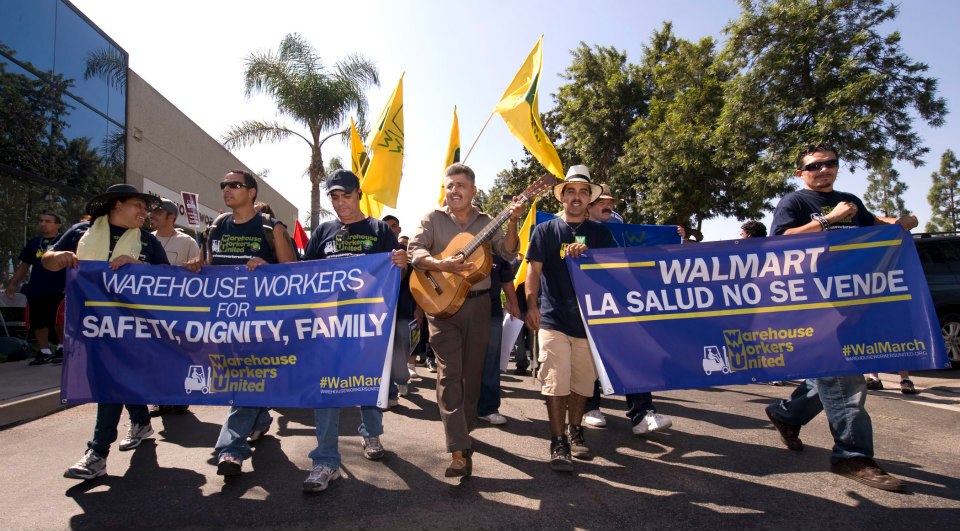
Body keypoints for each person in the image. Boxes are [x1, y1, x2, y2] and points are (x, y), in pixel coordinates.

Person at [765, 143, 917, 493]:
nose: (824, 170)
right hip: (815, 303)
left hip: (853, 301)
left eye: (830, 163)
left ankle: (786, 414)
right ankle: (852, 456)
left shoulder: (850, 200)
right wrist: (827, 220)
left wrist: (902, 222)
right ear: (800, 173)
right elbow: (779, 241)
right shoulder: (794, 202)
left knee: (832, 373)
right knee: (846, 378)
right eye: (814, 166)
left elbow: (878, 223)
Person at [42, 184, 168, 480]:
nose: (144, 213)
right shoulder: (81, 232)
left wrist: (138, 266)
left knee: (111, 379)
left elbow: (167, 279)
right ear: (117, 205)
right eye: (138, 205)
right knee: (118, 377)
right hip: (90, 321)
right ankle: (141, 421)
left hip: (132, 324)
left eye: (146, 208)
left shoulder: (147, 241)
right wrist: (57, 257)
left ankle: (97, 453)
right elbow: (47, 259)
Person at [408, 163, 520, 477]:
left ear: (473, 190)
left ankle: (464, 429)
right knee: (448, 375)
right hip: (440, 308)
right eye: (450, 185)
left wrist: (513, 221)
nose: (454, 190)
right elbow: (415, 252)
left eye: (460, 185)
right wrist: (441, 265)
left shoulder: (488, 222)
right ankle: (458, 450)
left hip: (479, 305)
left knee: (472, 377)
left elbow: (508, 253)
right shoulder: (432, 218)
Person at [299, 170, 408, 492]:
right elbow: (304, 274)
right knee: (326, 388)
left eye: (345, 196)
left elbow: (395, 277)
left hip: (369, 325)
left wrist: (401, 265)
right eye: (334, 197)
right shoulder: (323, 231)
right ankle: (325, 460)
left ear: (358, 194)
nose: (340, 203)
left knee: (369, 382)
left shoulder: (379, 230)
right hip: (329, 325)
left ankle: (371, 432)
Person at [185, 169, 296, 477]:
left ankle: (231, 449)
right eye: (224, 184)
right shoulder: (217, 226)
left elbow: (293, 271)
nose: (227, 189)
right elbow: (209, 266)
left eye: (235, 185)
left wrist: (267, 266)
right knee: (240, 380)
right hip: (225, 321)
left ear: (251, 192)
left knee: (247, 379)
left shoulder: (270, 227)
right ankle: (260, 418)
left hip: (260, 323)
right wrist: (197, 265)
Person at [525, 166, 615, 472]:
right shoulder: (545, 231)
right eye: (571, 191)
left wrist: (591, 257)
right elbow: (533, 272)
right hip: (553, 319)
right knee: (555, 382)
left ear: (589, 199)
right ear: (562, 197)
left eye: (583, 192)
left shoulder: (602, 235)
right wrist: (531, 306)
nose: (576, 197)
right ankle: (558, 441)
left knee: (582, 384)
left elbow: (615, 273)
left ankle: (576, 431)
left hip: (589, 324)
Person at [581, 183, 675, 435]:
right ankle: (590, 407)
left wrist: (671, 236)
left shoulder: (622, 229)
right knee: (590, 357)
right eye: (602, 202)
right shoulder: (578, 230)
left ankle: (643, 413)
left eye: (610, 202)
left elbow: (647, 255)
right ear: (589, 206)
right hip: (592, 302)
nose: (608, 206)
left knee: (634, 354)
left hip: (624, 302)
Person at [147, 198, 201, 416]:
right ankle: (159, 398)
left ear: (171, 217)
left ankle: (179, 397)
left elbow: (199, 271)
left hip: (178, 310)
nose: (152, 216)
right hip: (150, 309)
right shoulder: (145, 239)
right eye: (151, 212)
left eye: (158, 213)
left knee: (178, 354)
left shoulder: (186, 241)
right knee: (155, 354)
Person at [5, 212, 65, 365]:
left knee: (59, 321)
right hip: (36, 289)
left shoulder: (66, 241)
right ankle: (44, 352)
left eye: (48, 221)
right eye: (41, 221)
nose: (43, 224)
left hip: (59, 288)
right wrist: (12, 284)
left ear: (58, 225)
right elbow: (24, 265)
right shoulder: (34, 243)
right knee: (38, 322)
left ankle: (62, 348)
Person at [477, 255, 521, 426]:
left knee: (491, 360)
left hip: (493, 310)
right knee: (463, 360)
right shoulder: (459, 242)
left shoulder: (499, 250)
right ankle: (461, 407)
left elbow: (506, 280)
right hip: (462, 310)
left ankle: (488, 409)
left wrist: (513, 303)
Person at [382, 214, 417, 398]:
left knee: (401, 349)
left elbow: (416, 282)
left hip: (404, 310)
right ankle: (389, 392)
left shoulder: (408, 253)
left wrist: (419, 309)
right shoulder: (376, 250)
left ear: (399, 229)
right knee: (384, 352)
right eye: (386, 225)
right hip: (381, 311)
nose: (390, 228)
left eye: (394, 225)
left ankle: (401, 380)